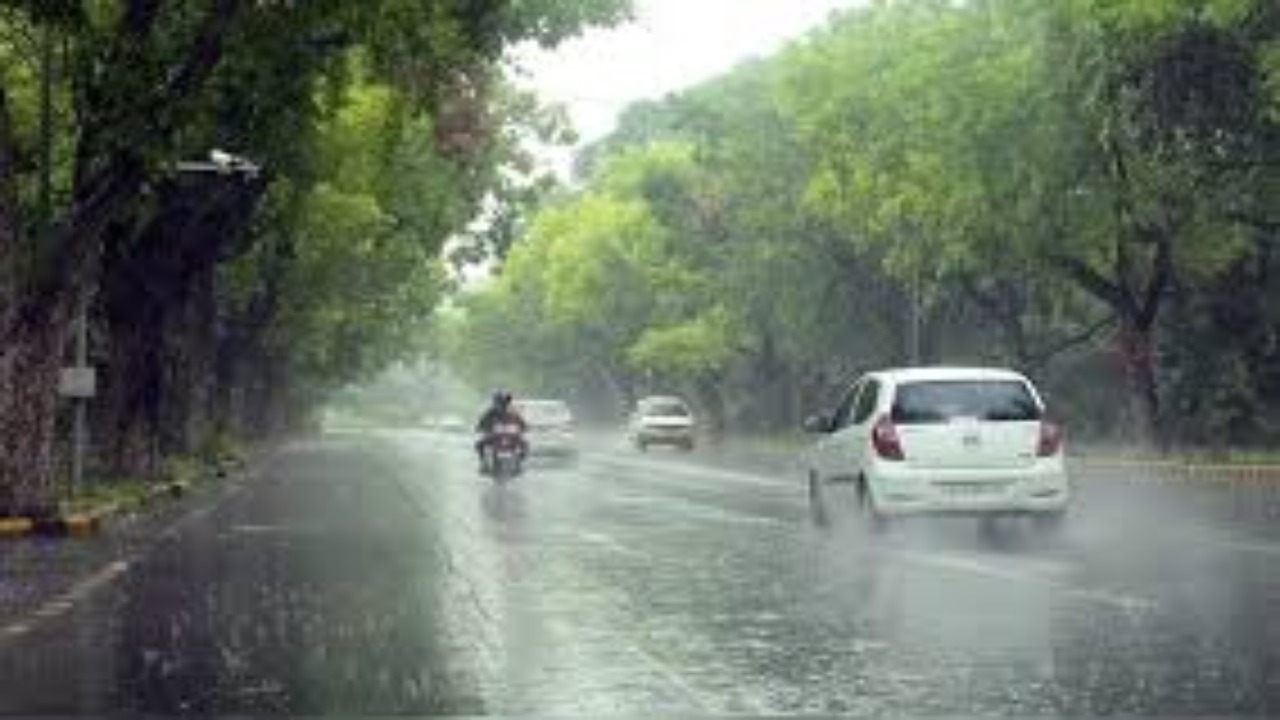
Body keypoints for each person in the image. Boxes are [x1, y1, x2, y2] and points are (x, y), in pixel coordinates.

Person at [475, 390, 528, 473]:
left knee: (525, 445)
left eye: (505, 402)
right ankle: (483, 461)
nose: (503, 405)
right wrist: (481, 428)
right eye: (501, 402)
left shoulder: (513, 413)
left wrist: (523, 429)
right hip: (495, 437)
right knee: (479, 445)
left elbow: (523, 424)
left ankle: (519, 462)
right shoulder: (489, 413)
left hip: (512, 437)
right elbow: (481, 424)